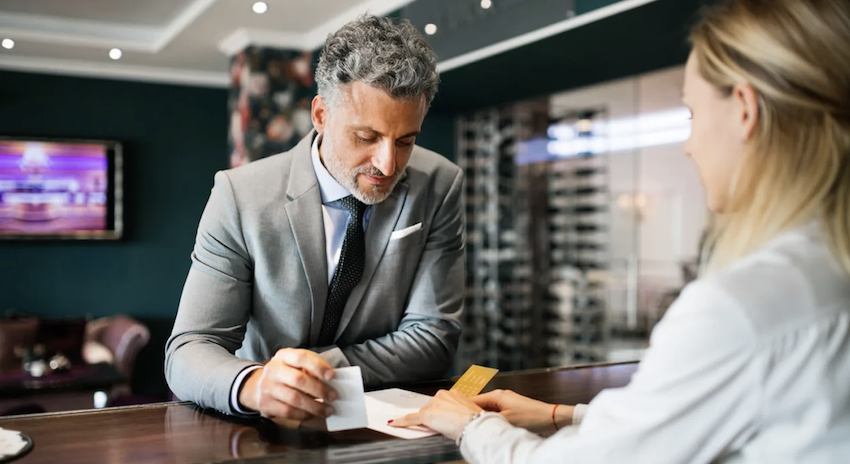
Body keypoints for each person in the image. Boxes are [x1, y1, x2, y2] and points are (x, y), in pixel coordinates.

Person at [390, 0, 850, 462]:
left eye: (691, 114)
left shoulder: (739, 308)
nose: (689, 147)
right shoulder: (826, 270)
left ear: (745, 111)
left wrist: (470, 425)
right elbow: (695, 415)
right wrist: (559, 414)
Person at [165, 15, 465, 420]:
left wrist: (314, 371)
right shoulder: (239, 195)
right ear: (321, 115)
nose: (388, 163)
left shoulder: (440, 184)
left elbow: (434, 339)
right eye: (366, 137)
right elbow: (189, 350)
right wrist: (255, 383)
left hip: (387, 422)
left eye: (406, 140)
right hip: (262, 422)